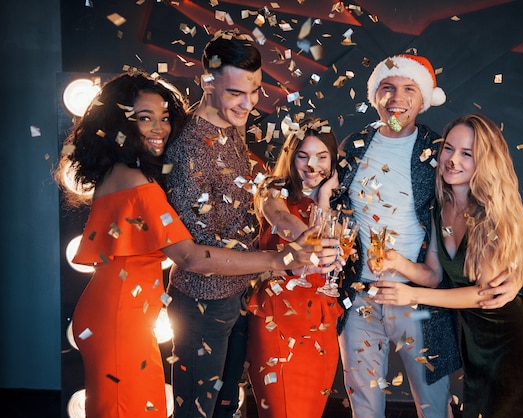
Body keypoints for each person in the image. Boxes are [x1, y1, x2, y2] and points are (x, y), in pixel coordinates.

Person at [55, 70, 320, 418]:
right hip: (120, 320)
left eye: (164, 118)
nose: (159, 128)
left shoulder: (121, 171)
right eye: (144, 118)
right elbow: (191, 258)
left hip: (117, 313)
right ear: (120, 122)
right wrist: (279, 259)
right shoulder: (139, 185)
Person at [332, 54, 522, 418]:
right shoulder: (353, 146)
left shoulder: (438, 151)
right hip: (359, 298)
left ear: (424, 99)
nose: (396, 98)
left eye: (408, 89)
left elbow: (487, 202)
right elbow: (328, 203)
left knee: (433, 406)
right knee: (363, 408)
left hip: (419, 300)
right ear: (375, 95)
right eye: (387, 88)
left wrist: (515, 274)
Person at [162, 32, 339, 418]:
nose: (248, 103)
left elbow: (259, 190)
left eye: (255, 90)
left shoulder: (232, 126)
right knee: (197, 412)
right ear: (207, 82)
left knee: (227, 409)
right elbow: (195, 258)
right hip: (202, 304)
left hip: (238, 298)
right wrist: (280, 259)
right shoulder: (187, 149)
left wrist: (292, 224)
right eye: (236, 93)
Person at [372, 113, 523, 418]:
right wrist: (398, 263)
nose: (453, 159)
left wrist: (411, 296)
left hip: (512, 345)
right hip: (475, 347)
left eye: (467, 154)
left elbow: (482, 295)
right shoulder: (441, 207)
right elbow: (433, 275)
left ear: (484, 161)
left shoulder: (488, 215)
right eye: (449, 148)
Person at [246, 117, 345, 417]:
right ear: (291, 157)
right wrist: (311, 238)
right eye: (303, 156)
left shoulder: (340, 201)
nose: (311, 166)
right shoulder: (273, 190)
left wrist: (325, 198)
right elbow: (284, 223)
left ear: (333, 161)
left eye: (321, 157)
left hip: (322, 323)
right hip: (278, 319)